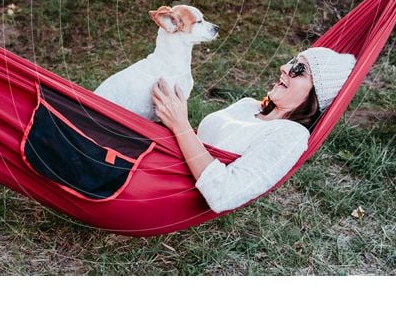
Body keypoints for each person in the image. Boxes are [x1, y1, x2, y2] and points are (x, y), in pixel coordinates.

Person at [151, 47, 357, 213]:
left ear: (316, 94)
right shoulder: (248, 105)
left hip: (159, 190)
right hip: (157, 163)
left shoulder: (290, 136)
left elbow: (224, 195)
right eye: (292, 61)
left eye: (299, 69)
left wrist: (180, 125)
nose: (284, 67)